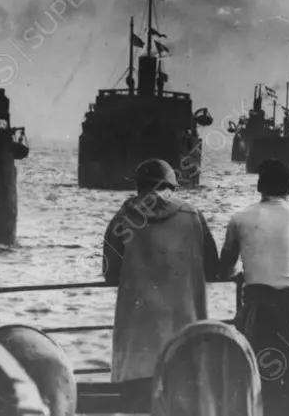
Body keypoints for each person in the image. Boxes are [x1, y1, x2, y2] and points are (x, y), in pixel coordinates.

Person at [102, 158, 219, 407]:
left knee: (136, 403)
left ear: (139, 187)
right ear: (171, 187)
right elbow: (213, 269)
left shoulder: (124, 217)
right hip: (183, 331)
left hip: (138, 337)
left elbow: (110, 271)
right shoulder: (192, 215)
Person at [218, 158, 289, 416]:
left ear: (259, 186)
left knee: (263, 380)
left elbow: (225, 265)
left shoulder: (239, 219)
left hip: (260, 309)